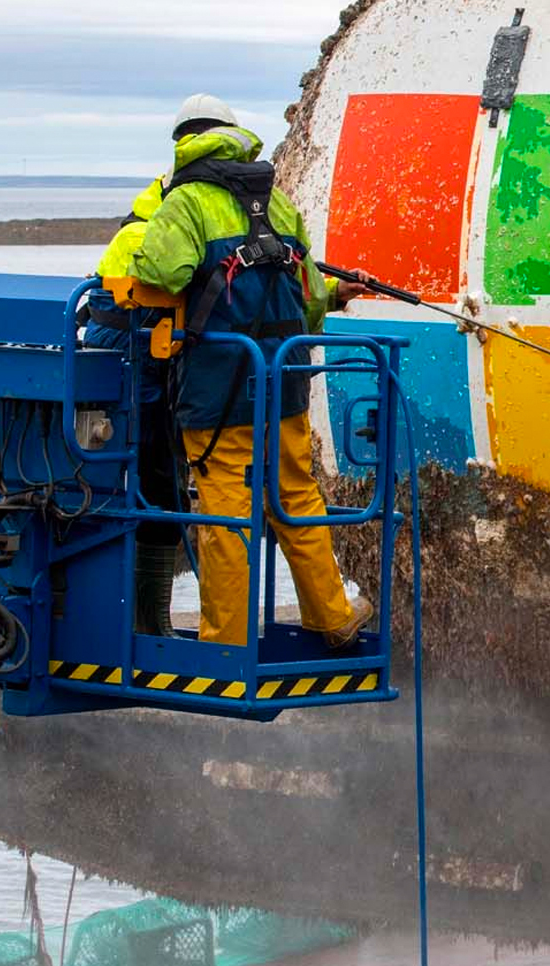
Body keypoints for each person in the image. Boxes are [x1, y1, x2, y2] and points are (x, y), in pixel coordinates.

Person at [128, 93, 376, 650]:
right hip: (284, 380)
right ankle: (332, 617)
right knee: (296, 497)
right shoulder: (277, 203)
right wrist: (338, 293)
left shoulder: (187, 201)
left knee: (226, 515)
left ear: (183, 143)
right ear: (236, 137)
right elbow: (308, 298)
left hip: (218, 388)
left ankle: (225, 643)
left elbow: (164, 274)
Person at [81, 174, 188, 636]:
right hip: (137, 371)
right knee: (158, 487)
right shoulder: (153, 238)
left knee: (130, 488)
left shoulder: (135, 231)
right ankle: (148, 621)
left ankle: (134, 617)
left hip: (119, 369)